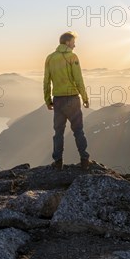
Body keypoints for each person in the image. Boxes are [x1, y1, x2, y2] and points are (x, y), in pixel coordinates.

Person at [43, 31, 91, 170]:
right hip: (72, 100)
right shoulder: (72, 57)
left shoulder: (50, 58)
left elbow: (46, 81)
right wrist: (85, 97)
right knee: (78, 131)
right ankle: (84, 160)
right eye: (73, 42)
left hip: (58, 100)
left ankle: (58, 162)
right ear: (67, 42)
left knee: (58, 132)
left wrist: (47, 100)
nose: (75, 45)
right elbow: (78, 79)